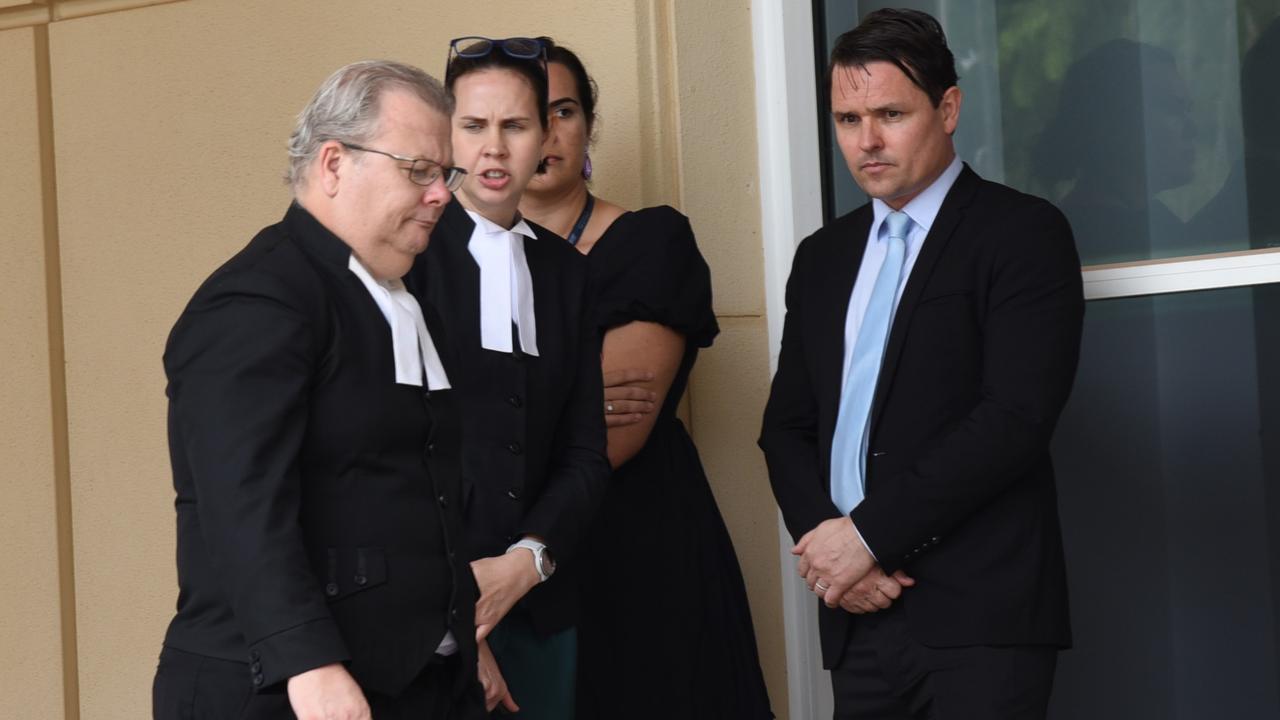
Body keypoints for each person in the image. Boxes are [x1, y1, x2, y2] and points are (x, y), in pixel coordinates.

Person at [759, 9, 1083, 719]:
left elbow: (1014, 419)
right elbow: (785, 427)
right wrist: (829, 548)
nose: (866, 141)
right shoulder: (823, 258)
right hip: (856, 611)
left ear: (948, 108)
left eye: (889, 114)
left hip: (979, 616)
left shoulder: (1022, 233)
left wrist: (868, 537)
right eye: (847, 120)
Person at [153, 60, 484, 719]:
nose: (442, 193)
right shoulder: (255, 300)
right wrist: (310, 667)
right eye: (418, 170)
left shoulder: (404, 295)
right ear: (334, 164)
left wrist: (459, 642)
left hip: (415, 684)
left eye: (444, 174)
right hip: (289, 692)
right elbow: (243, 509)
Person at [518, 39, 775, 720]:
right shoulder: (443, 262)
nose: (543, 134)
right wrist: (573, 398)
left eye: (562, 111)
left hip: (634, 550)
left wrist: (484, 422)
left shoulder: (651, 243)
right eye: (519, 118)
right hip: (503, 562)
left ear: (588, 124)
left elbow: (616, 434)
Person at [404, 37, 610, 719]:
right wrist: (458, 612)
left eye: (516, 126)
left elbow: (585, 453)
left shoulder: (569, 272)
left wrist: (529, 560)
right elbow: (389, 453)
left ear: (549, 135)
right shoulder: (408, 258)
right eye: (474, 126)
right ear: (446, 134)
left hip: (544, 605)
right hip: (424, 612)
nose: (494, 148)